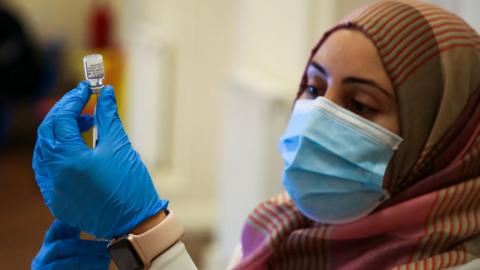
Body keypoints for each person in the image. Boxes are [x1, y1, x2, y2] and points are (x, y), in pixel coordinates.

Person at [31, 0, 480, 269]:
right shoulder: (280, 229)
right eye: (313, 87)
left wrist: (149, 234)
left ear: (444, 139)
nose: (318, 117)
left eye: (360, 106)